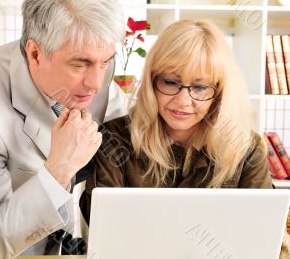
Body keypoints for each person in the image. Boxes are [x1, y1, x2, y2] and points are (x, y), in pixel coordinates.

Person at [0, 0, 126, 258]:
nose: (96, 83)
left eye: (105, 62)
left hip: (54, 213)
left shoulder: (97, 65)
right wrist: (60, 168)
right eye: (79, 65)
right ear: (35, 54)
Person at [80, 19, 274, 219]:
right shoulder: (114, 139)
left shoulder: (246, 149)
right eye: (171, 82)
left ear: (220, 92)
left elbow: (263, 232)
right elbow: (104, 227)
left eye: (200, 87)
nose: (183, 101)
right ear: (151, 81)